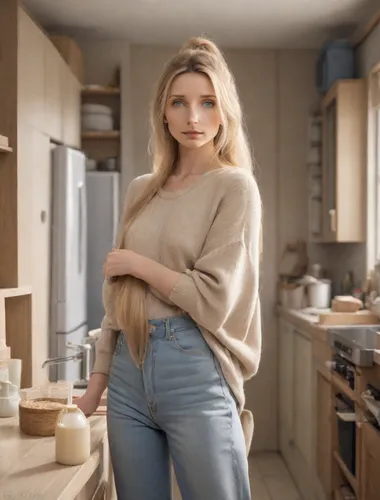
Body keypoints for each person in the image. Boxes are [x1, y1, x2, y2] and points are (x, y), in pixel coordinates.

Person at [76, 35, 262, 500]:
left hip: (196, 371)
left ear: (224, 112)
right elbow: (117, 299)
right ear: (163, 110)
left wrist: (139, 264)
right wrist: (96, 385)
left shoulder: (235, 188)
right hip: (126, 374)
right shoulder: (140, 190)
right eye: (179, 102)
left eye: (207, 102)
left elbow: (213, 299)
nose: (192, 117)